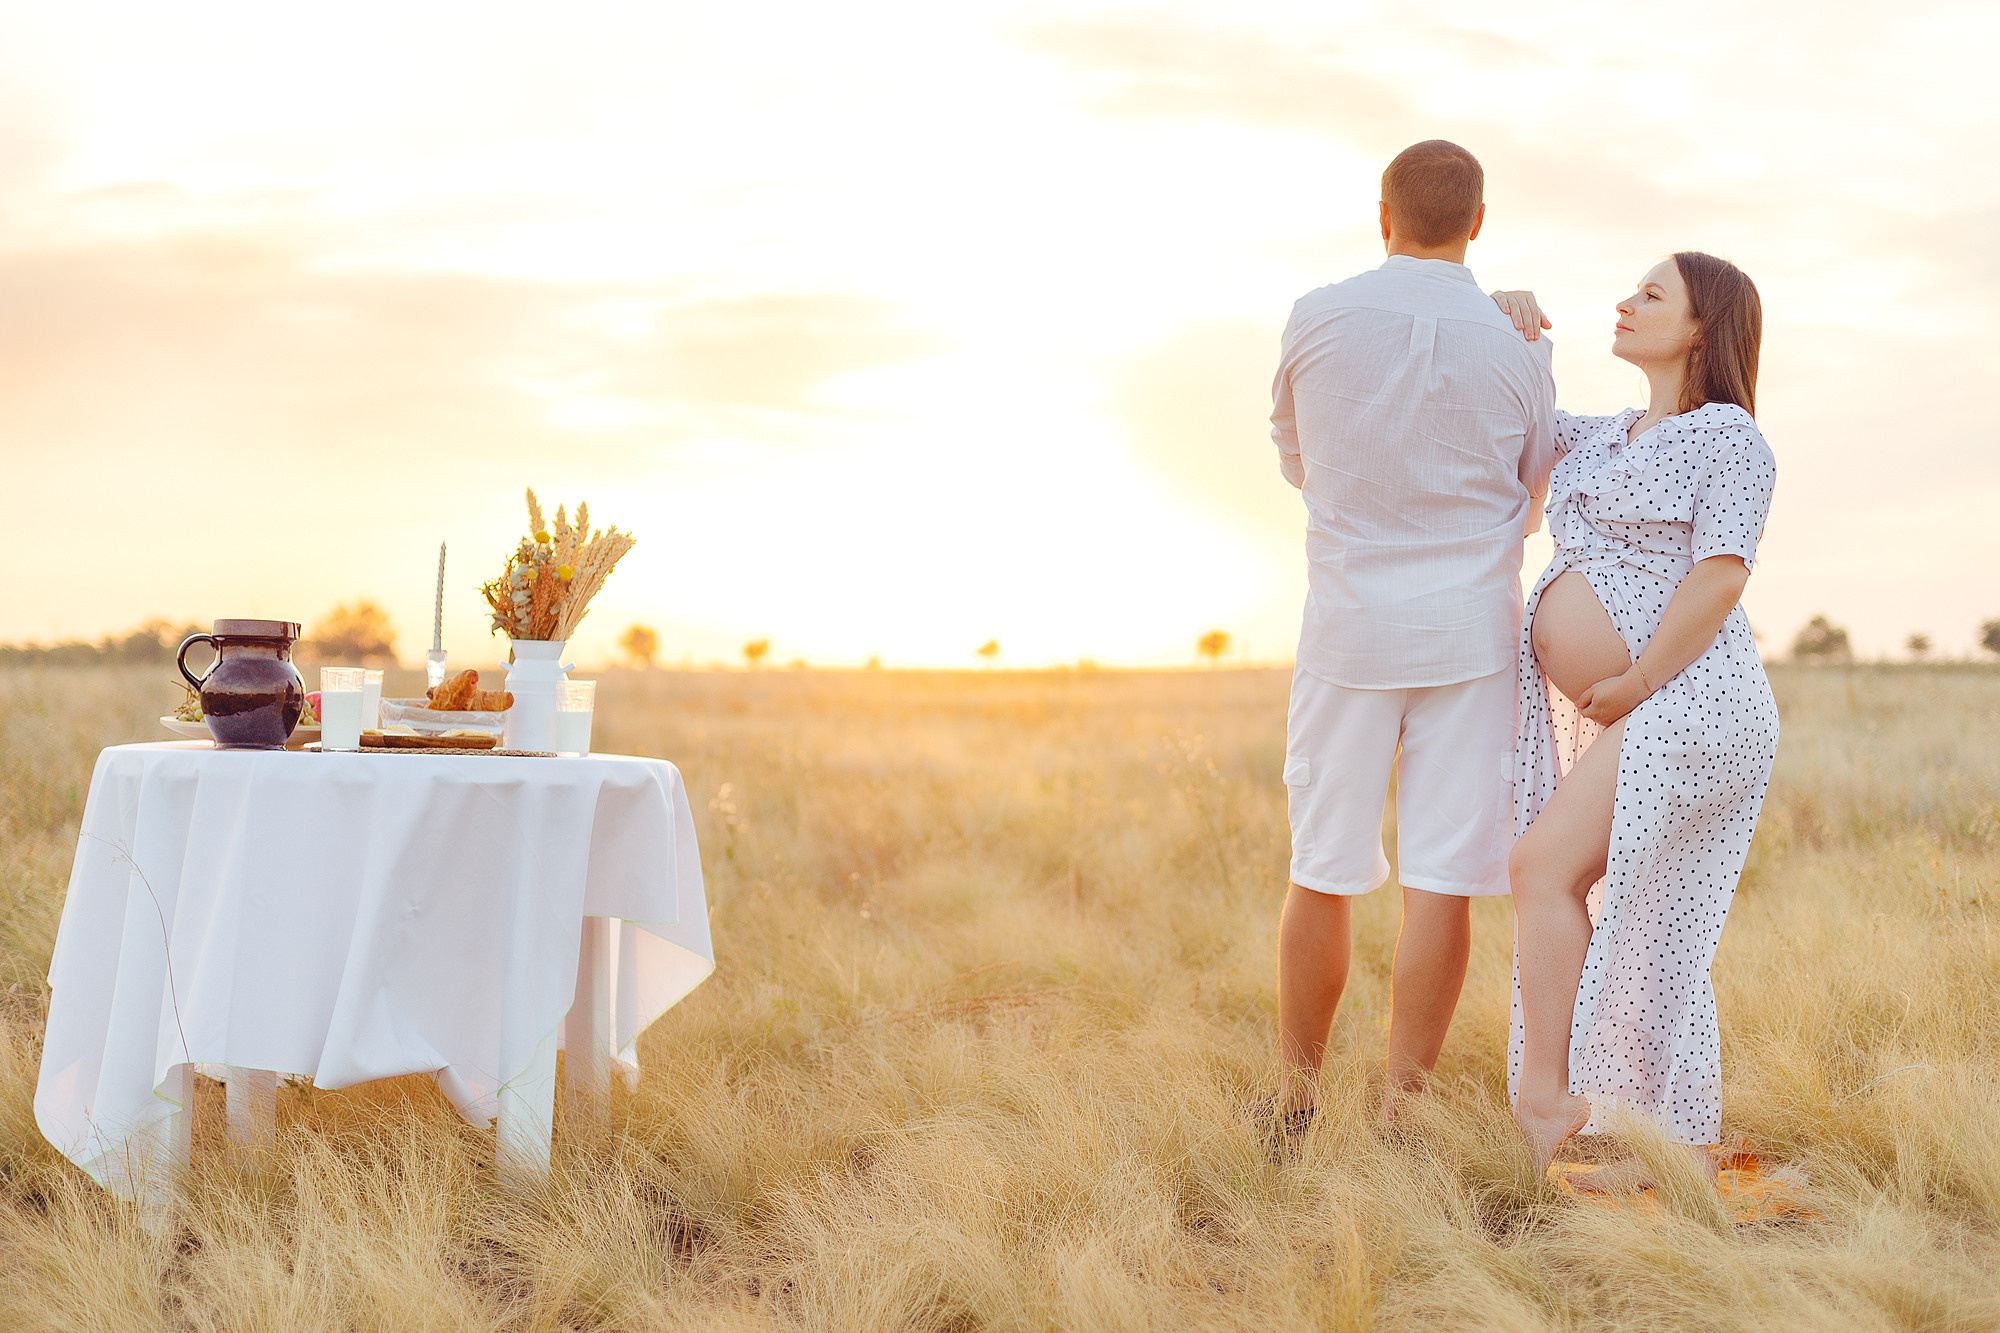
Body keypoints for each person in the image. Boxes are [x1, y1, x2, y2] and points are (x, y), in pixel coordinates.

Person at [1265, 139, 1555, 1141]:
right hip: (1467, 635)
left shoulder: (1314, 316)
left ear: (1380, 214)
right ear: (1476, 221)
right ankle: (1402, 1107)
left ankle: (1298, 1096)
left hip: (1346, 626)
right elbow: (1530, 496)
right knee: (1443, 875)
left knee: (1322, 864)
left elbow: (1292, 456)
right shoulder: (1520, 342)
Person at [1491, 254, 1778, 1189]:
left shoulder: (1729, 438)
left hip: (1695, 700)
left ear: (1703, 327)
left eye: (1652, 293)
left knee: (1548, 869)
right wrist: (1509, 328)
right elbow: (1525, 430)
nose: (1625, 301)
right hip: (1649, 706)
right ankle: (1678, 1161)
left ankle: (1547, 1102)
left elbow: (1723, 571)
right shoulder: (1607, 436)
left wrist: (1641, 680)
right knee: (1653, 921)